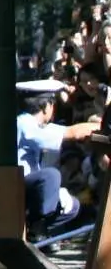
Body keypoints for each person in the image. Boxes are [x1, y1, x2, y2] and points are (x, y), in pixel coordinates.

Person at [18, 90, 100, 234]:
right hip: (15, 182)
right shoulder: (25, 123)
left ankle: (37, 231)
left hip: (26, 183)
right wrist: (102, 126)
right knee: (50, 176)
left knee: (73, 205)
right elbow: (73, 133)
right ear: (46, 107)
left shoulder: (30, 124)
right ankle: (38, 225)